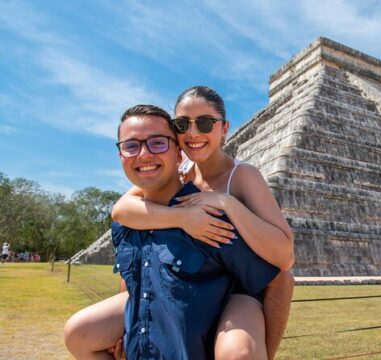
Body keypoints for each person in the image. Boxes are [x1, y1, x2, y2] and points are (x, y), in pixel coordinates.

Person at [65, 104, 281, 359]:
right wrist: (128, 330)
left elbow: (277, 278)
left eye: (157, 143)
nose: (143, 154)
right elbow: (131, 280)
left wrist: (260, 347)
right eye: (131, 145)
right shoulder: (127, 222)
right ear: (121, 155)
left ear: (179, 154)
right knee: (77, 333)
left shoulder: (208, 219)